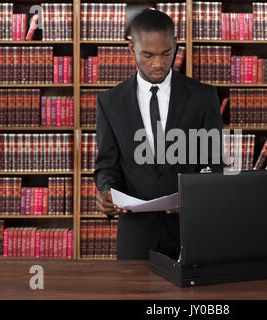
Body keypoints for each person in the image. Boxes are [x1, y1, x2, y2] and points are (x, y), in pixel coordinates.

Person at [94, 9, 223, 260]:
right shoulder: (109, 103)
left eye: (166, 53)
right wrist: (107, 192)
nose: (158, 64)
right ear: (131, 48)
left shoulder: (203, 97)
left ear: (175, 45)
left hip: (190, 231)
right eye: (148, 54)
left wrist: (194, 198)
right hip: (136, 236)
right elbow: (106, 166)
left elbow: (213, 163)